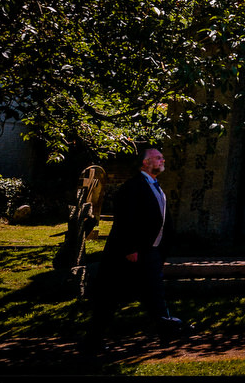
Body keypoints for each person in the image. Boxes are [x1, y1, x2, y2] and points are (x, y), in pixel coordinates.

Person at [82, 148, 189, 354]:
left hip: (152, 252)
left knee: (155, 293)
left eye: (161, 157)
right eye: (157, 158)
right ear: (144, 163)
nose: (162, 159)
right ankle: (93, 340)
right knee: (111, 296)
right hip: (130, 253)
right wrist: (129, 248)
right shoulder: (132, 187)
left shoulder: (156, 187)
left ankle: (167, 329)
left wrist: (162, 250)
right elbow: (125, 220)